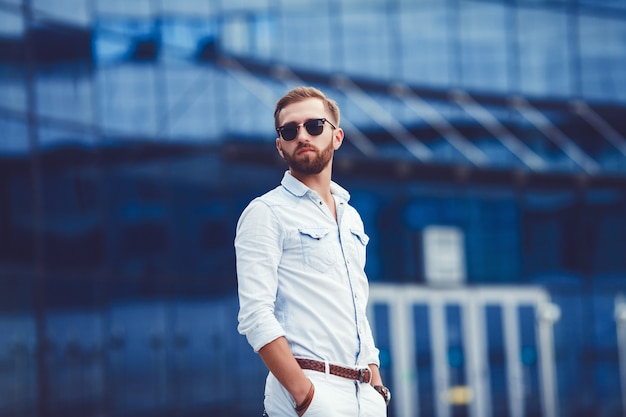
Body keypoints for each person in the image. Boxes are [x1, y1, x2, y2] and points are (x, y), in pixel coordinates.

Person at [235, 86, 390, 417]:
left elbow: (356, 307)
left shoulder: (351, 216)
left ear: (337, 137)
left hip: (365, 396)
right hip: (310, 393)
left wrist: (376, 384)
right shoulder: (266, 212)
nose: (302, 136)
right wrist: (305, 397)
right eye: (290, 131)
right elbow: (255, 316)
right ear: (280, 146)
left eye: (314, 126)